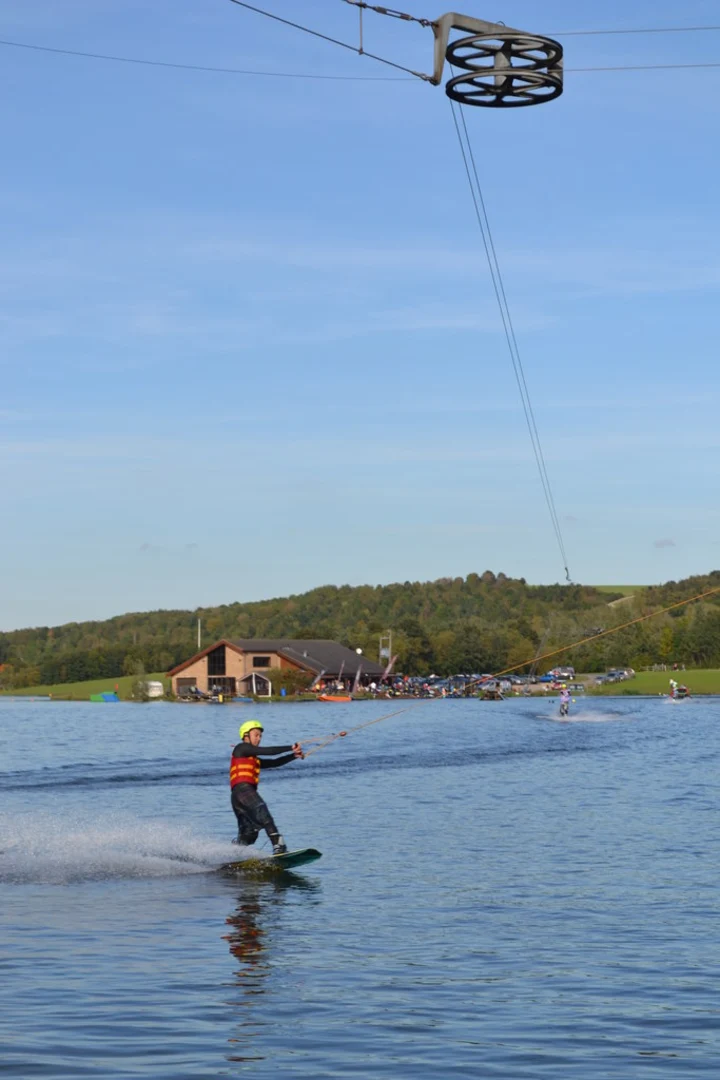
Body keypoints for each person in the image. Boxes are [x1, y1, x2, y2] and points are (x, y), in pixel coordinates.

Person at [230, 720, 304, 854]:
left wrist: (293, 756)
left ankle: (232, 854)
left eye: (260, 736)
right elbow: (269, 751)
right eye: (256, 735)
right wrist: (290, 747)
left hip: (237, 797)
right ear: (246, 735)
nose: (259, 739)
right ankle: (278, 844)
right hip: (243, 790)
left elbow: (274, 762)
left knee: (249, 833)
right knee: (262, 811)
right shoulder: (241, 748)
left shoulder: (253, 759)